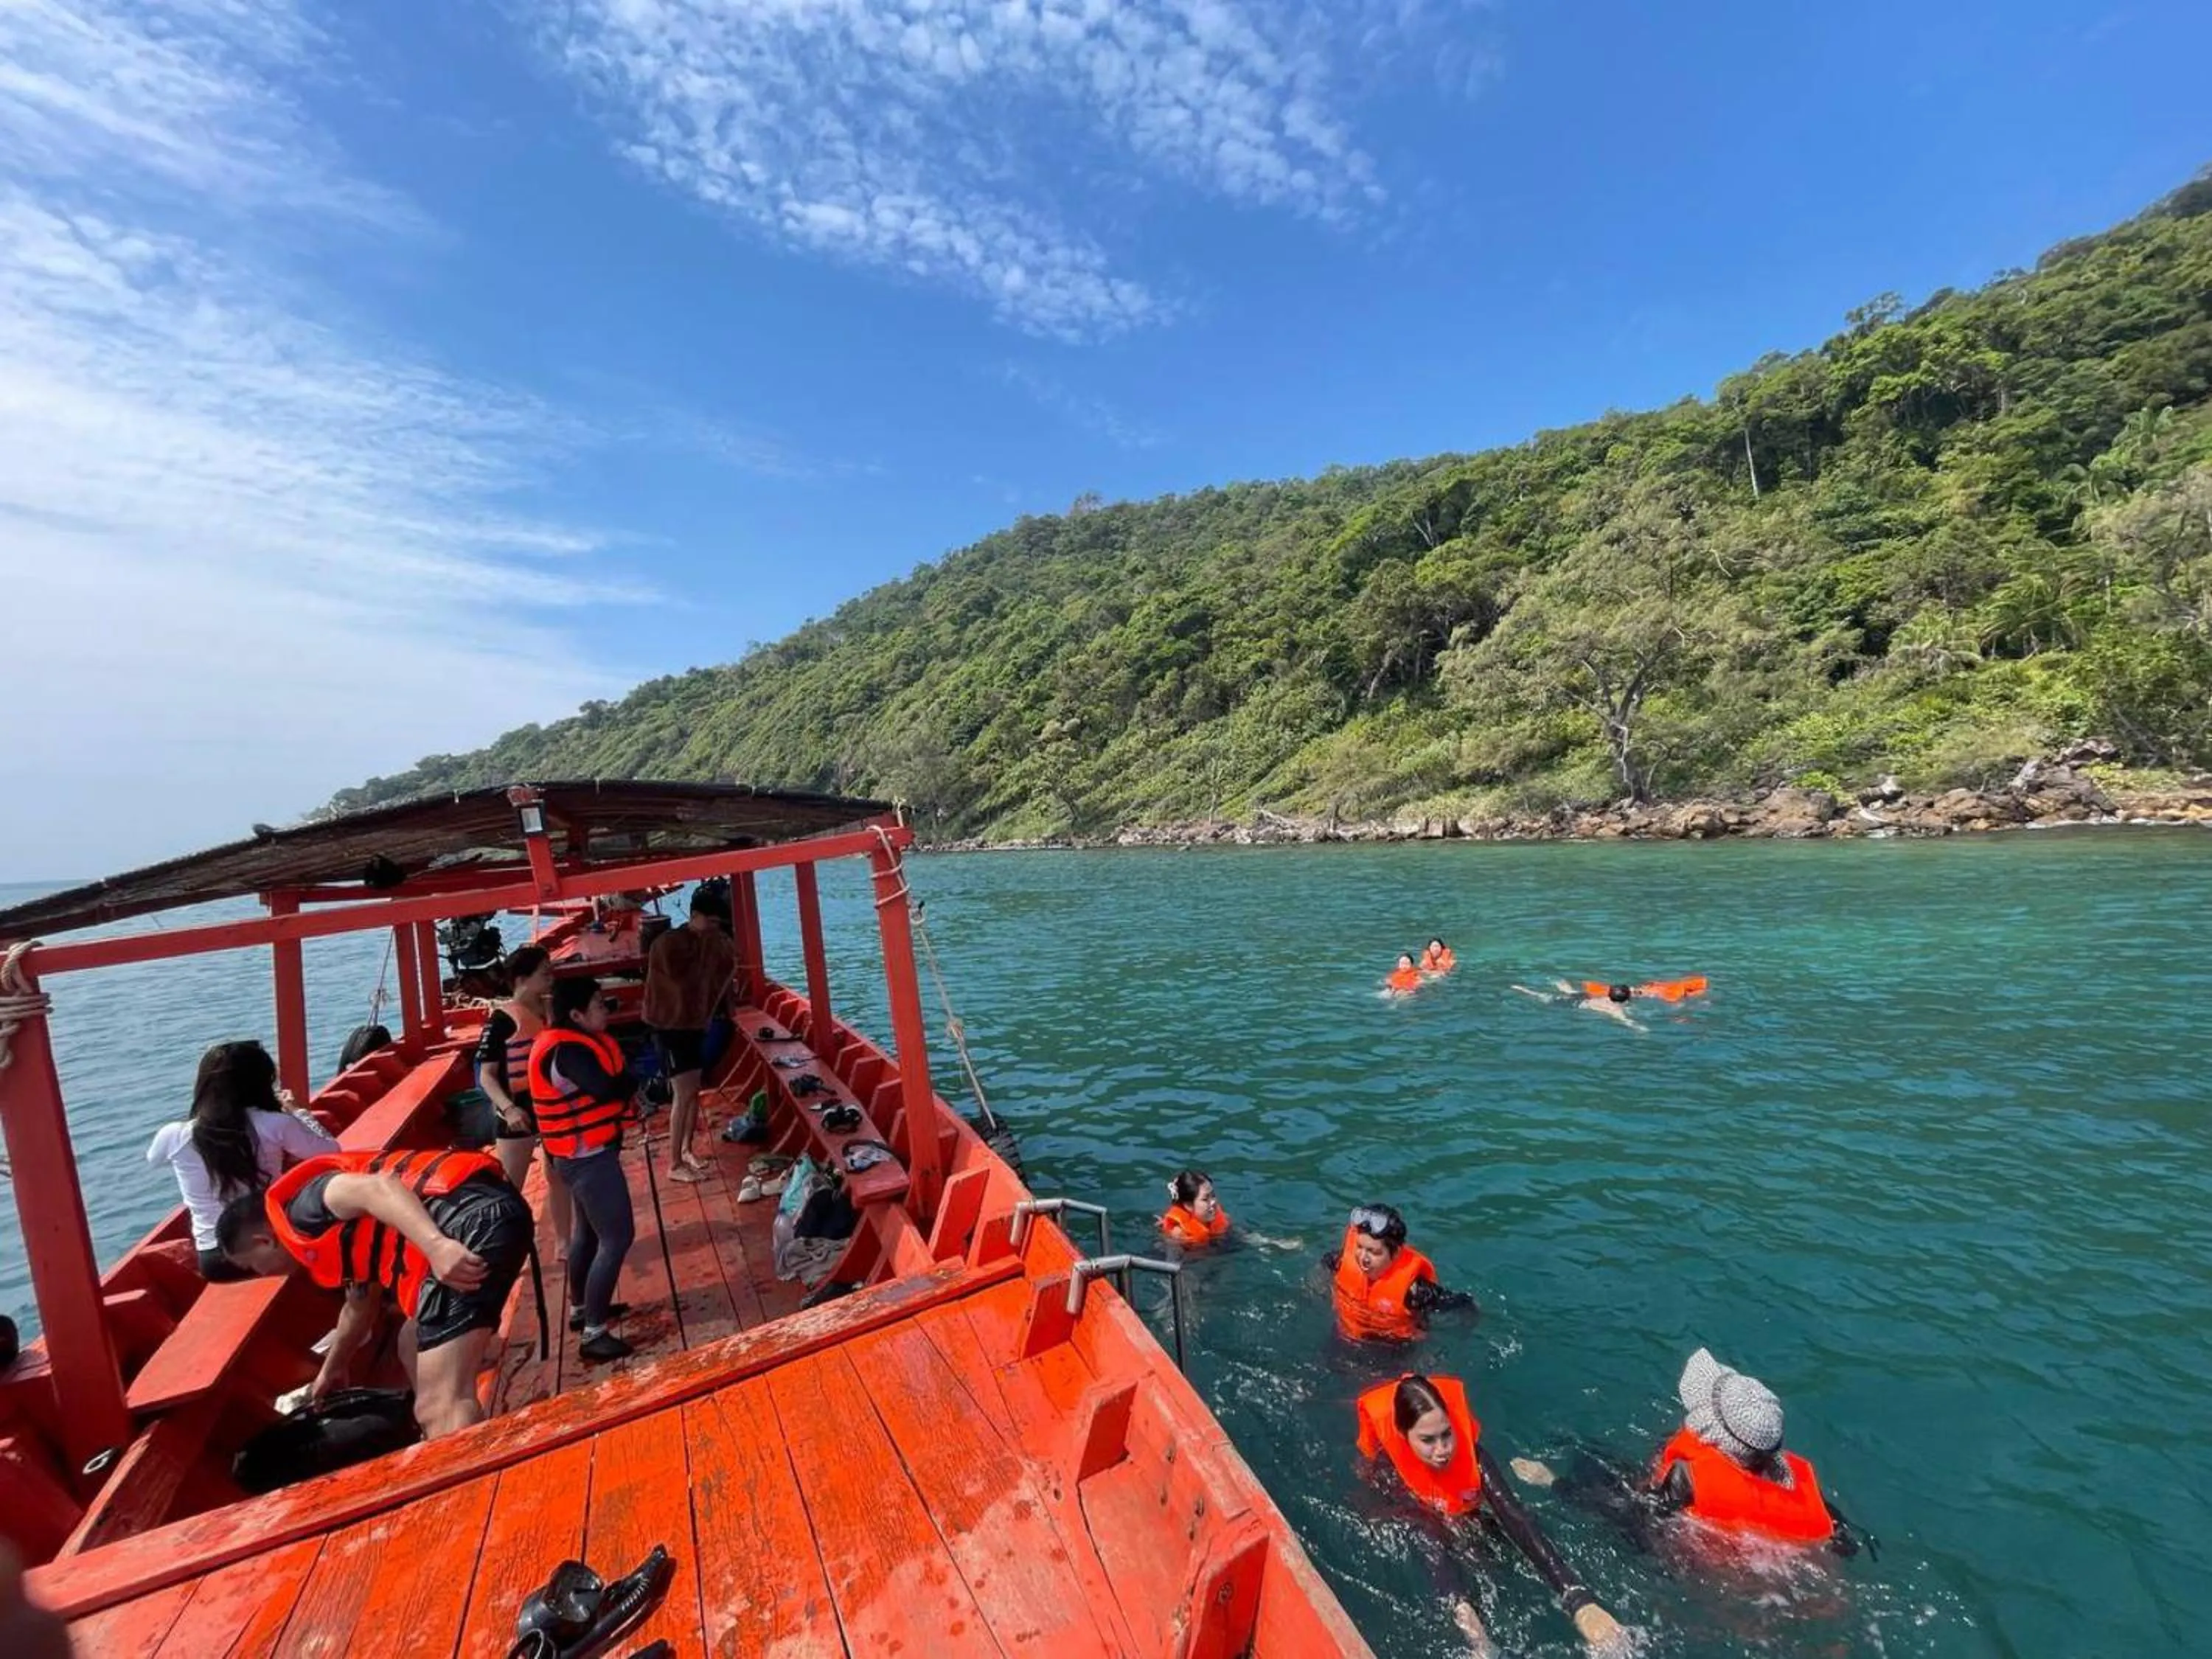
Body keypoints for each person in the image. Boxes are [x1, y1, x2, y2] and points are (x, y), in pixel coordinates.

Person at [215, 1147, 532, 1439]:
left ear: (262, 1242)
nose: (261, 1275)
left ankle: (460, 1449)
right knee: (410, 1341)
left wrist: (437, 1246)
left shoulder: (308, 1205)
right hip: (479, 1217)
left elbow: (379, 1188)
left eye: (253, 1266)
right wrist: (334, 1367)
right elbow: (359, 1305)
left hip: (474, 1224)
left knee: (440, 1403)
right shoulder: (320, 1236)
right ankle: (443, 1430)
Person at [1357, 1374, 1629, 1654]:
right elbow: (1430, 1545)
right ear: (1404, 1435)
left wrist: (1577, 1598)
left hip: (1468, 1520)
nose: (1442, 1450)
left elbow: (1516, 1518)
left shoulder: (1476, 1459)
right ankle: (1471, 1628)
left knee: (1493, 1561)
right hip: (1425, 1530)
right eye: (1428, 1440)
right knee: (1428, 1535)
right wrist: (1464, 1612)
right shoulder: (1389, 1470)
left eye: (1447, 1434)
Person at [145, 1040, 338, 1280]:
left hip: (215, 1261)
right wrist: (298, 1113)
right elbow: (331, 1151)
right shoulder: (275, 1124)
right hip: (274, 1248)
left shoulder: (174, 1135)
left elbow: (154, 1159)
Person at [527, 975, 641, 1362]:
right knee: (618, 1236)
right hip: (587, 1158)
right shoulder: (569, 1052)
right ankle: (593, 1334)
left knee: (588, 1236)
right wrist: (631, 1081)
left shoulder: (571, 1043)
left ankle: (580, 1310)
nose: (605, 1009)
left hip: (577, 1155)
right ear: (575, 1014)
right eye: (597, 1004)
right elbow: (607, 1090)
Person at [1649, 1348, 1861, 1554]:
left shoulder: (1687, 1477)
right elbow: (1844, 1544)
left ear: (1714, 1426)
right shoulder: (1808, 1489)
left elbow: (1651, 1524)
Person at [474, 946, 572, 1250]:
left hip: (551, 1103)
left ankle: (564, 1242)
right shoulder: (502, 1020)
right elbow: (487, 1075)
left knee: (558, 1173)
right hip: (518, 1108)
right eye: (544, 974)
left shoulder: (552, 1010)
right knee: (510, 1188)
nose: (550, 978)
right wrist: (509, 1109)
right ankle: (500, 1250)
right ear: (521, 979)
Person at [643, 889, 737, 1184]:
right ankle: (674, 1163)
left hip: (695, 1025)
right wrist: (709, 946)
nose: (713, 928)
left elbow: (721, 974)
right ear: (694, 916)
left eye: (717, 923)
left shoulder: (713, 941)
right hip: (670, 1027)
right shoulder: (668, 944)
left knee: (693, 1090)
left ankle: (687, 1150)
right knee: (682, 1094)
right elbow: (682, 977)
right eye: (709, 922)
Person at [1326, 1204, 1475, 1341]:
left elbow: (1464, 1304)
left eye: (1374, 1252)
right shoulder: (1340, 1261)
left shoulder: (1416, 1291)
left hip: (1393, 1348)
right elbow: (1323, 1268)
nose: (1363, 1257)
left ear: (1396, 1253)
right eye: (1360, 1247)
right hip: (1345, 1336)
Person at [1510, 981, 1644, 1030]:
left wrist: (1633, 991)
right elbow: (1626, 1020)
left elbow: (1626, 993)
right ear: (1627, 998)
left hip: (1584, 999)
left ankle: (1561, 986)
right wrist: (1640, 1028)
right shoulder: (1614, 1009)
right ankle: (1522, 989)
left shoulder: (1606, 998)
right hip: (1574, 1005)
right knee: (1541, 997)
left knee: (1567, 993)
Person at [1160, 1169, 1231, 1246]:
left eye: (1213, 1195)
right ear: (1188, 1205)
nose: (1213, 1202)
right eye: (1205, 1199)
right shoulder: (1179, 1235)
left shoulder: (1221, 1216)